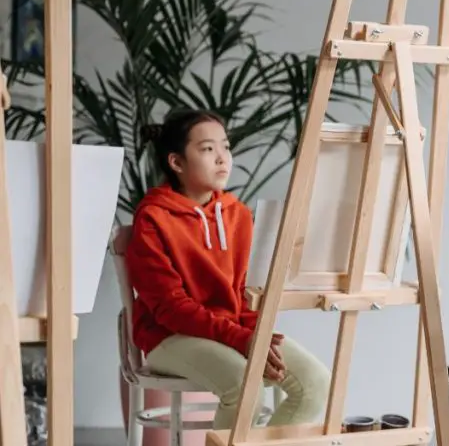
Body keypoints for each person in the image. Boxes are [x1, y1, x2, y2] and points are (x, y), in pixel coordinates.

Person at [125, 109, 330, 429]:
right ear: (176, 162)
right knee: (243, 386)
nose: (222, 158)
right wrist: (241, 339)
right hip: (169, 337)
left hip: (230, 332)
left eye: (226, 147)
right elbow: (170, 308)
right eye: (208, 149)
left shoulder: (238, 214)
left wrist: (256, 335)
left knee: (315, 385)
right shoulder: (153, 217)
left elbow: (247, 290)